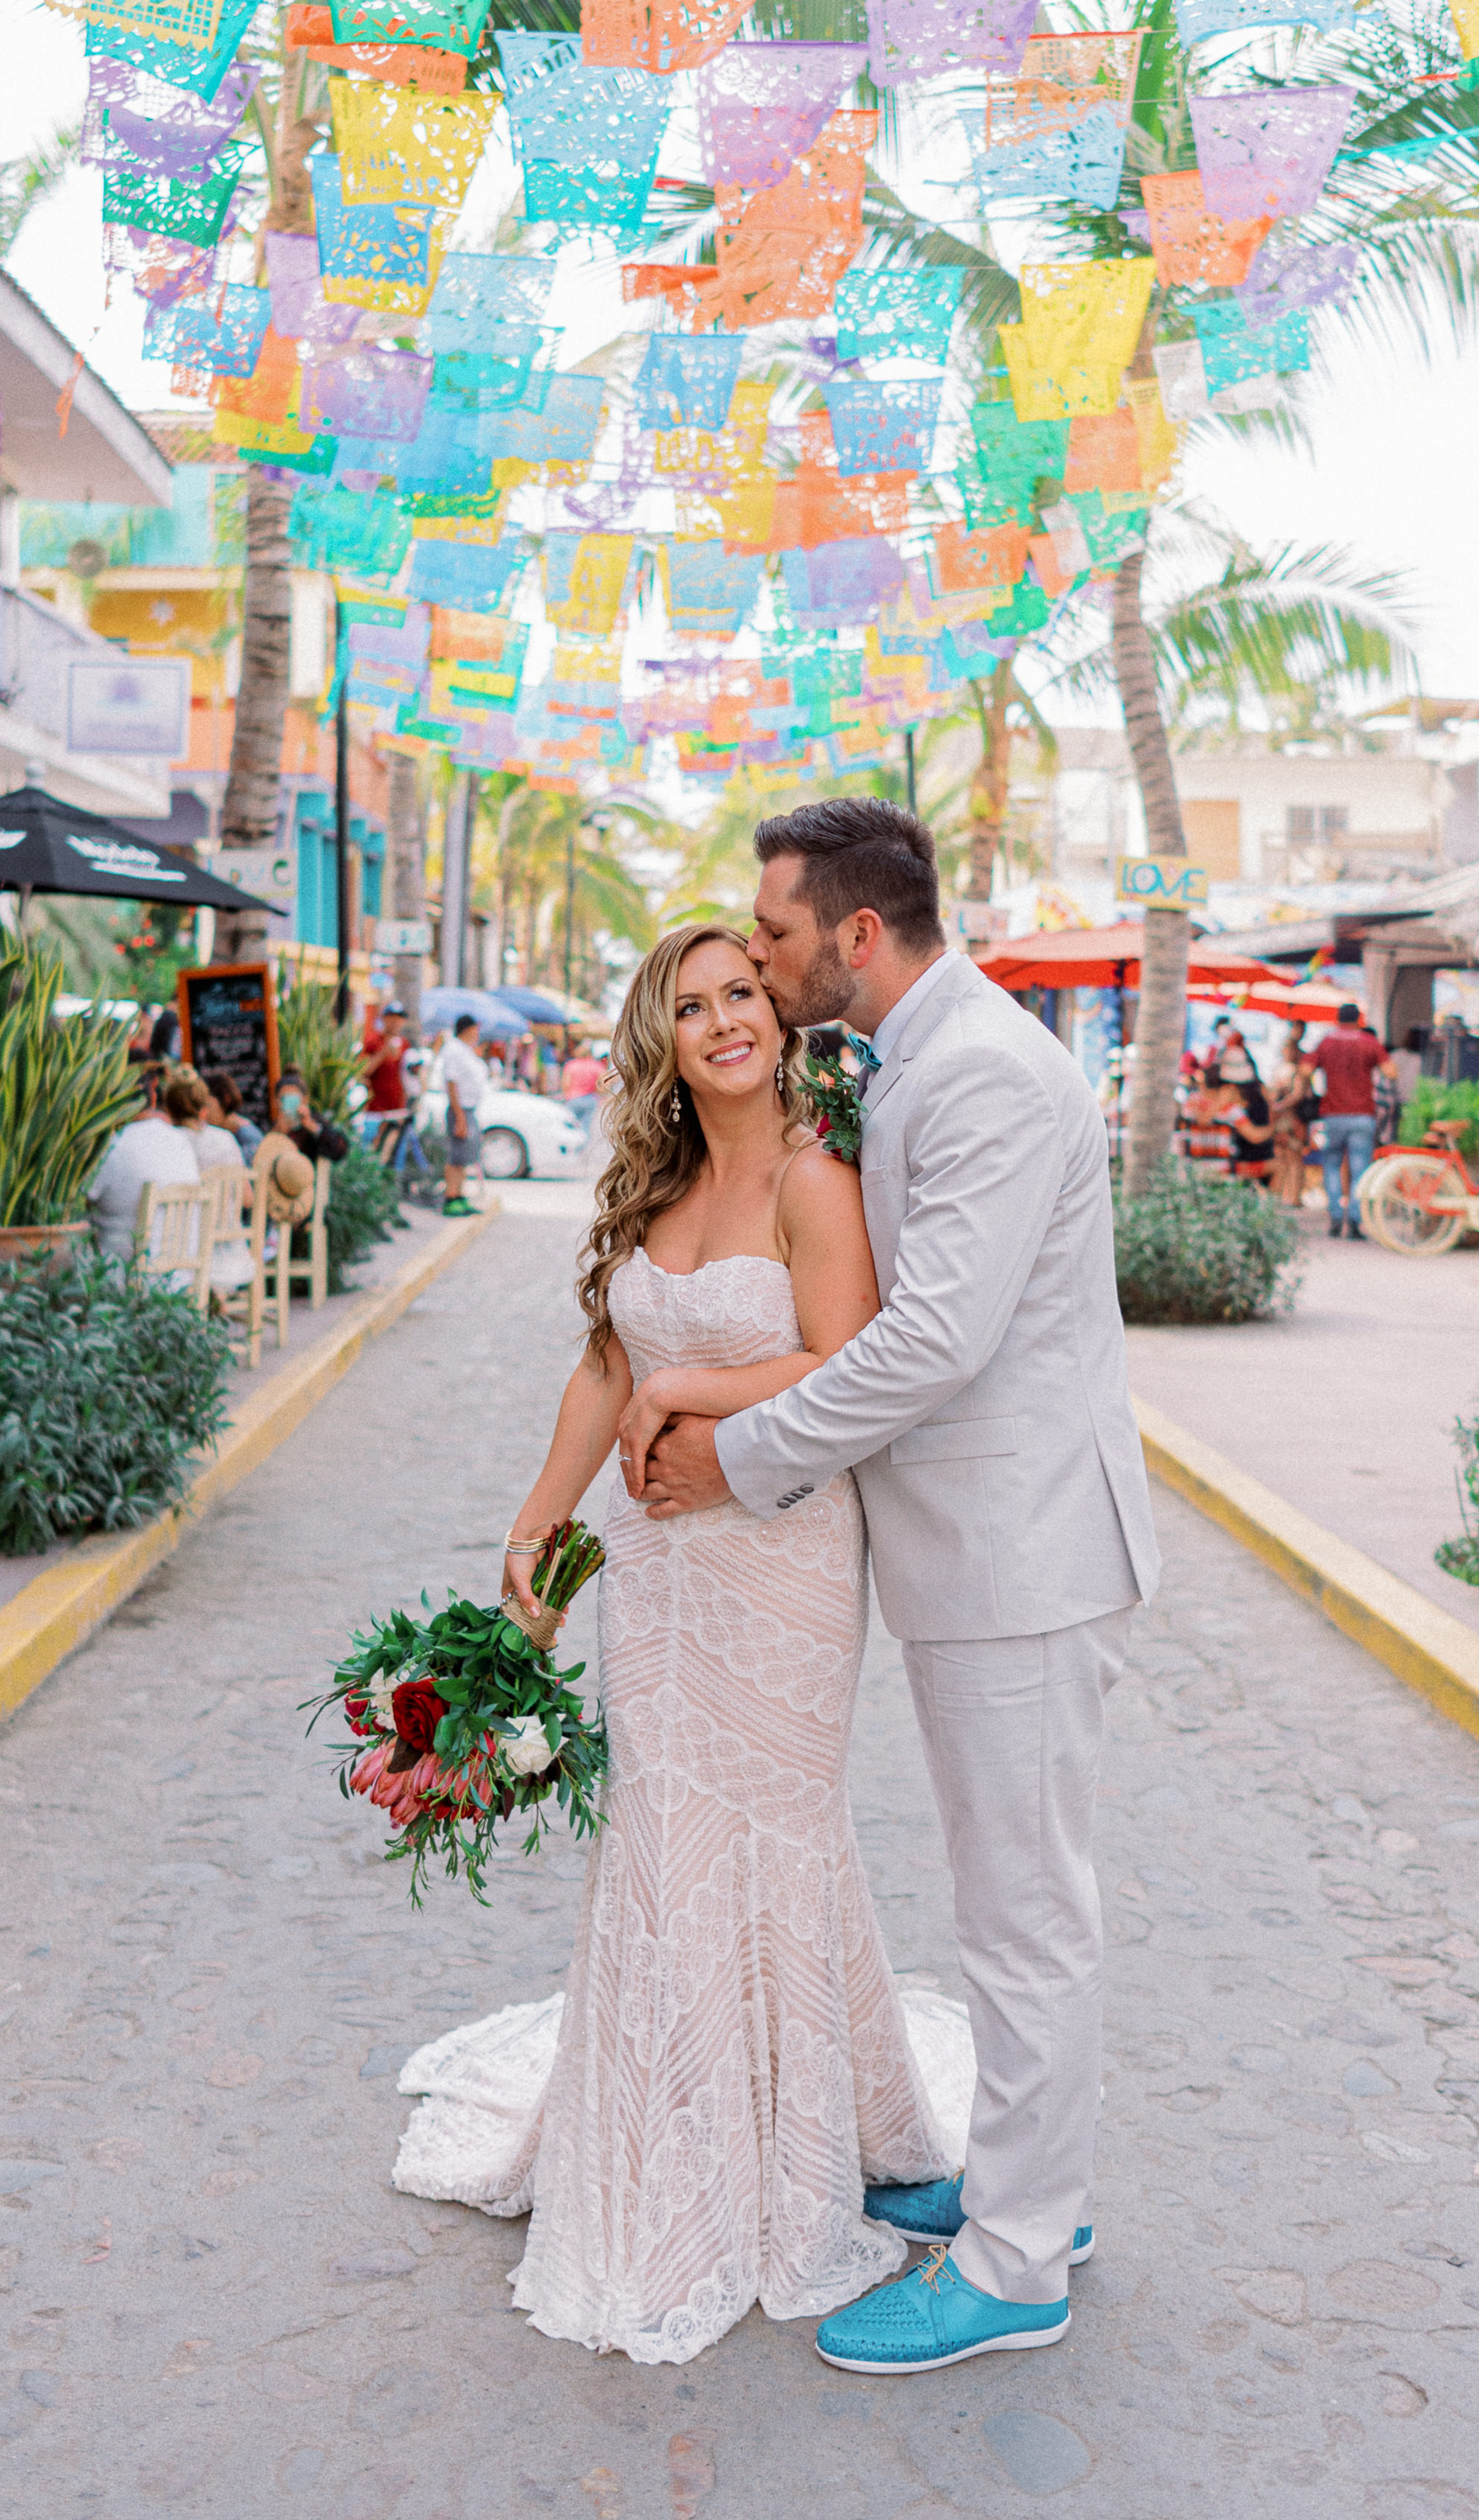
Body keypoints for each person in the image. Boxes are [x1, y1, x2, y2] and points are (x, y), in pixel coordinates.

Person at [619, 799, 1160, 2377]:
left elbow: (931, 1341)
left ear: (855, 936)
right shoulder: (924, 1061)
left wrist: (744, 1457)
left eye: (774, 937)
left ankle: (1011, 2269)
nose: (762, 965)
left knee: (1022, 1917)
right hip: (983, 1553)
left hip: (1021, 1554)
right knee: (1016, 1906)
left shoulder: (983, 1073)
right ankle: (1024, 2197)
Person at [389, 925, 965, 2362]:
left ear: (777, 1014)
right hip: (653, 1564)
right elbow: (608, 1362)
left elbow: (847, 1349)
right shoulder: (650, 1184)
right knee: (654, 1829)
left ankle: (783, 2147)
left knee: (771, 1826)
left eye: (740, 996)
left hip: (780, 1561)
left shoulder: (816, 1173)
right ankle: (661, 2123)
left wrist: (696, 1383)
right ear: (664, 1037)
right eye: (691, 1005)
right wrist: (537, 1525)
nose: (724, 1023)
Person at [87, 1071, 200, 1262]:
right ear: (154, 1099)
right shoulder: (181, 1142)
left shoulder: (114, 1145)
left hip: (125, 1278)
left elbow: (80, 1200)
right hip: (182, 1276)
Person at [161, 1062, 252, 1297]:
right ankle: (217, 1300)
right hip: (234, 1260)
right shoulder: (226, 1140)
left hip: (186, 1263)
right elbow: (247, 1200)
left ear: (168, 1110)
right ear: (204, 1107)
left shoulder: (171, 1143)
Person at [1311, 999, 1387, 1241]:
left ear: (1337, 1019)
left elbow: (1303, 1071)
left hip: (1333, 1115)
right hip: (1363, 1114)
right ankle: (1355, 1219)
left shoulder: (1326, 1042)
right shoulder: (1369, 1042)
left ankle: (1335, 1215)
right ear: (1359, 1020)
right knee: (1359, 1168)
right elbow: (1392, 1071)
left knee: (1331, 1165)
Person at [436, 1015, 489, 1217]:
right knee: (456, 1155)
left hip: (468, 1109)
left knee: (464, 1155)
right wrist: (459, 1117)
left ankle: (458, 1195)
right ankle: (451, 1197)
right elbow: (452, 1083)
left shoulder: (465, 1050)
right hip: (460, 1109)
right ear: (468, 1029)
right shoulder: (454, 1049)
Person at [1269, 1025, 1316, 1210]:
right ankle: (1288, 1195)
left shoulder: (1299, 1072)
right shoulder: (1283, 1070)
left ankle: (1294, 1196)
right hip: (1283, 1121)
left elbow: (1298, 1095)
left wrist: (1279, 1105)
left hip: (1294, 1120)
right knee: (1285, 1157)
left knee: (1295, 1158)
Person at [206, 1071, 262, 1165]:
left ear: (226, 1099)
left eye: (208, 1105)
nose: (204, 1113)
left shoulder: (248, 1138)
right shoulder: (231, 1132)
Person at [559, 1035, 604, 1137]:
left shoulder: (571, 1065)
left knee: (569, 1126)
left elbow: (566, 1083)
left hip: (573, 1099)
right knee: (585, 1128)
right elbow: (602, 1084)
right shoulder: (597, 1066)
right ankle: (581, 1149)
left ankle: (571, 1149)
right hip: (590, 1099)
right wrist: (598, 1095)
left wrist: (566, 1096)